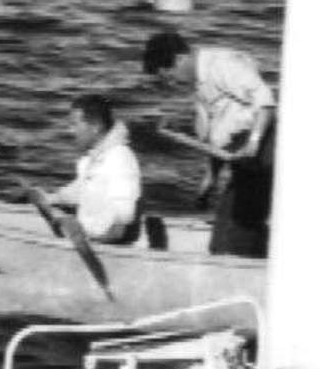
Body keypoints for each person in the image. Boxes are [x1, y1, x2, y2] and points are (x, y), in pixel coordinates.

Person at [142, 28, 276, 258]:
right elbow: (216, 139)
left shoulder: (220, 65)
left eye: (170, 75)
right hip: (238, 157)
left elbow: (265, 101)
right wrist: (210, 180)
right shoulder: (198, 85)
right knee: (224, 234)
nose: (172, 83)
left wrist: (254, 142)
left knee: (231, 239)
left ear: (180, 59)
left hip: (262, 151)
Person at [34, 93, 144, 245]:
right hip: (86, 239)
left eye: (75, 124)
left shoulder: (119, 158)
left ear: (95, 127)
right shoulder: (92, 160)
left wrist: (94, 242)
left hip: (105, 248)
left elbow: (120, 223)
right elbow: (82, 189)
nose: (70, 131)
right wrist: (52, 198)